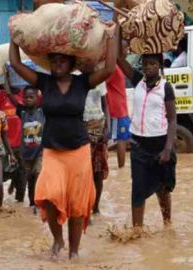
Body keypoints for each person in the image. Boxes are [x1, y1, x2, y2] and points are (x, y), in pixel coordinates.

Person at [9, 22, 118, 259]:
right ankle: (58, 241)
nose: (57, 65)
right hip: (52, 150)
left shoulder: (82, 82)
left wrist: (111, 36)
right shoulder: (44, 83)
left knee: (78, 205)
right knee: (48, 194)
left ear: (71, 63)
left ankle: (74, 252)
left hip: (78, 151)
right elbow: (16, 64)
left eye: (62, 61)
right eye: (54, 61)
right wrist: (15, 39)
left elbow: (109, 68)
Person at [118, 48, 177, 236]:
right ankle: (137, 231)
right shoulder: (137, 81)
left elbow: (173, 119)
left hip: (160, 147)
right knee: (137, 189)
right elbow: (119, 60)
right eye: (145, 64)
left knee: (162, 188)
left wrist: (168, 149)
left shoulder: (166, 88)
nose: (148, 67)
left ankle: (168, 224)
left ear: (159, 65)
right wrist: (120, 41)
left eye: (152, 63)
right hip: (139, 147)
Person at [7, 85, 45, 213]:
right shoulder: (21, 112)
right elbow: (10, 96)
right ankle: (32, 203)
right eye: (26, 97)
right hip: (26, 155)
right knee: (30, 179)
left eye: (31, 97)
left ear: (37, 97)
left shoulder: (42, 111)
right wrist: (4, 80)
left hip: (40, 152)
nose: (28, 99)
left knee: (38, 174)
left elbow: (48, 95)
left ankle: (39, 204)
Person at [0, 79, 26, 202]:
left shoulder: (26, 94)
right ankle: (13, 178)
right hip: (4, 144)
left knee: (22, 176)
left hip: (21, 145)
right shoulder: (1, 96)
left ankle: (20, 203)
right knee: (1, 174)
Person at [83, 81, 110, 214]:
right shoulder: (75, 79)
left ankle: (96, 207)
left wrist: (108, 128)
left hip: (100, 129)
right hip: (82, 129)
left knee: (98, 171)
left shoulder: (101, 81)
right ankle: (86, 207)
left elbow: (105, 107)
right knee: (84, 173)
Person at [106, 66, 131, 168]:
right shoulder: (114, 68)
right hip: (117, 109)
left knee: (123, 138)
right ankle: (121, 168)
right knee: (121, 139)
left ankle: (121, 166)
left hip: (120, 108)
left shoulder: (114, 68)